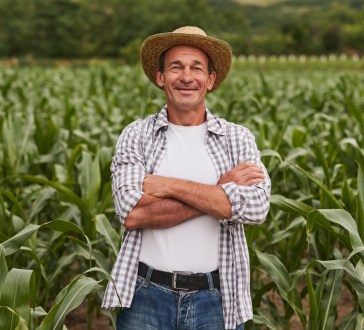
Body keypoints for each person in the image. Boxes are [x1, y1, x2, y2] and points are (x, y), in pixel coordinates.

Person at [102, 26, 271, 330]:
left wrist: (166, 185)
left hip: (217, 298)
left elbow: (257, 208)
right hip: (145, 296)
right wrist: (220, 192)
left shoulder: (237, 138)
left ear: (211, 79)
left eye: (197, 68)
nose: (186, 77)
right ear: (160, 77)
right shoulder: (137, 135)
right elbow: (132, 213)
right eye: (176, 67)